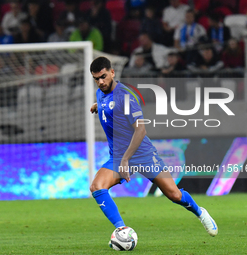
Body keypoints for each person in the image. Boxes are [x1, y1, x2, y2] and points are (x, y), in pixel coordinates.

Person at [89, 56, 218, 237]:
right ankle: (122, 230)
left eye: (103, 76)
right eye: (96, 79)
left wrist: (126, 159)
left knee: (174, 195)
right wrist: (98, 107)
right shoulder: (101, 94)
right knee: (97, 186)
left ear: (112, 72)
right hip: (118, 156)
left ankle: (200, 212)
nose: (100, 82)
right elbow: (107, 102)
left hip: (143, 154)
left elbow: (140, 130)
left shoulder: (125, 97)